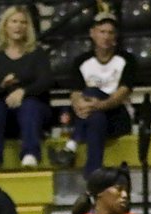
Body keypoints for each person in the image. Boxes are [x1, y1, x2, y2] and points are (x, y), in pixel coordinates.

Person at [51, 12, 136, 178]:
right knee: (96, 117)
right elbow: (75, 93)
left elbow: (122, 93)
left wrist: (99, 104)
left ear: (115, 37)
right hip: (92, 117)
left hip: (118, 116)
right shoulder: (81, 61)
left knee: (92, 93)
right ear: (93, 33)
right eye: (102, 32)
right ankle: (93, 174)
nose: (106, 36)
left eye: (110, 33)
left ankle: (71, 145)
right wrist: (81, 105)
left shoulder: (127, 60)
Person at [0, 5, 53, 171]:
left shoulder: (37, 53)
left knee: (29, 106)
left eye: (23, 22)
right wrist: (2, 86)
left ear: (28, 27)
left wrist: (23, 91)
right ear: (5, 25)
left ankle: (30, 154)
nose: (19, 26)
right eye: (14, 21)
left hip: (35, 111)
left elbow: (46, 81)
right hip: (3, 111)